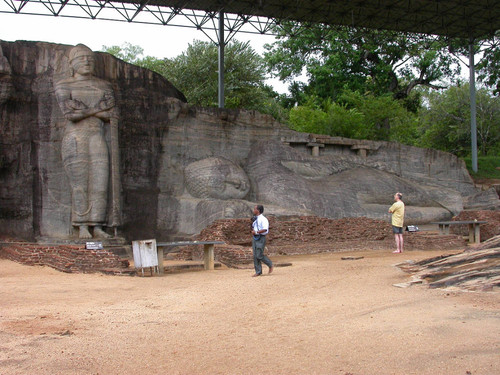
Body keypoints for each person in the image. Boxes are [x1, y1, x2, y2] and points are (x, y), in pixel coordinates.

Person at [55, 44, 120, 239]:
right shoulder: (64, 85)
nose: (87, 61)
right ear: (71, 64)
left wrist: (85, 110)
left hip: (97, 136)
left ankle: (97, 225)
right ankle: (81, 225)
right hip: (75, 138)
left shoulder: (104, 86)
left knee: (101, 182)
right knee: (80, 183)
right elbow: (70, 114)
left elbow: (113, 113)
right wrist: (98, 110)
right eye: (81, 58)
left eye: (90, 58)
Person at [251, 205, 273, 276]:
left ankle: (269, 264)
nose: (253, 210)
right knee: (255, 255)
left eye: (255, 209)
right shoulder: (255, 219)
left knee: (259, 255)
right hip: (255, 238)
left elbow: (265, 229)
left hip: (261, 237)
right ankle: (258, 271)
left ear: (258, 210)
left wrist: (257, 232)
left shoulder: (263, 219)